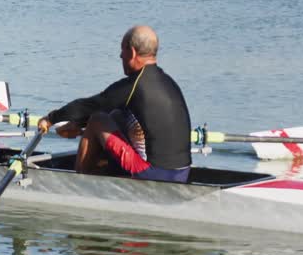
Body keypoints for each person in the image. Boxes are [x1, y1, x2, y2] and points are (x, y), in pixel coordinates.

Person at [37, 25, 191, 182]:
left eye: (122, 50)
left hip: (153, 174)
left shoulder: (134, 85)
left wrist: (50, 119)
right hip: (181, 174)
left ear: (131, 52)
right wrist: (78, 124)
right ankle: (105, 169)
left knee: (97, 119)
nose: (120, 56)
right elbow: (105, 107)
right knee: (116, 115)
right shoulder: (168, 82)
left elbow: (89, 106)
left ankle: (81, 181)